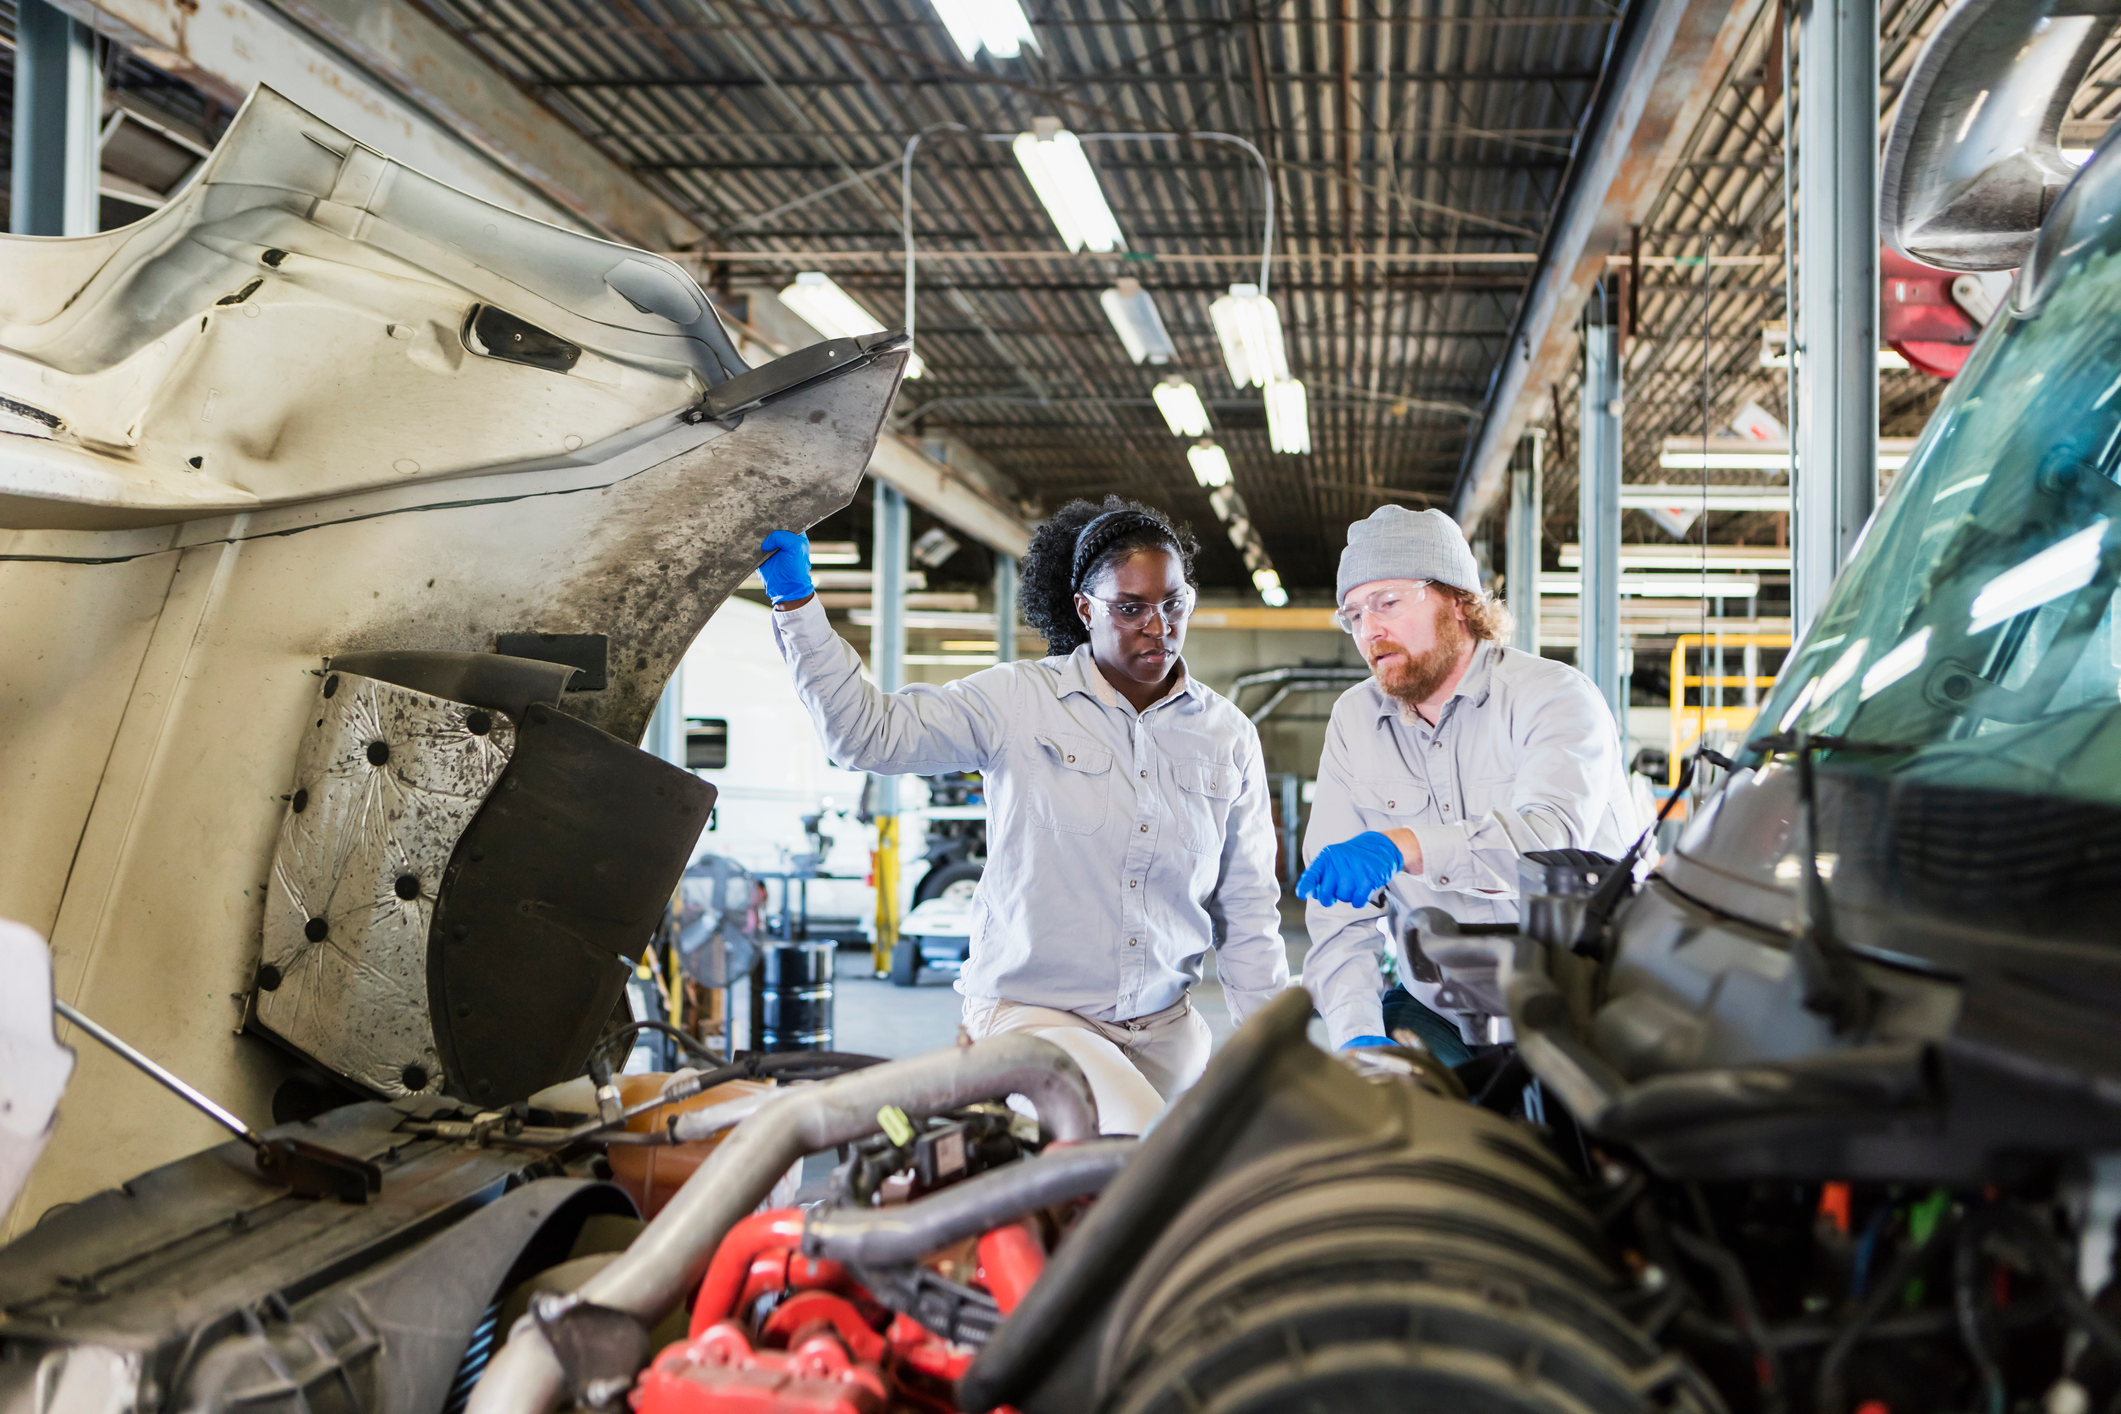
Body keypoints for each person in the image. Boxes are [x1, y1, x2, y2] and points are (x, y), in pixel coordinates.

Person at [756, 496, 1289, 1133]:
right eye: (1131, 607)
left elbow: (1249, 910)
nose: (1158, 625)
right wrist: (796, 603)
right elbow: (867, 734)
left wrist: (1279, 1052)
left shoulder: (1227, 736)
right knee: (1134, 1159)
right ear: (1086, 609)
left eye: (1174, 603)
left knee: (1192, 1177)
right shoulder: (1019, 701)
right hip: (1036, 1016)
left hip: (1167, 1033)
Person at [1297, 505, 1637, 1062]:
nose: (1369, 630)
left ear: (1458, 600)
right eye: (1353, 614)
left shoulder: (1554, 696)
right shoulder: (1355, 721)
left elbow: (1549, 845)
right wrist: (1356, 1029)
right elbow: (1339, 916)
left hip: (1579, 1007)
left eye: (1387, 602)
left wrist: (1403, 846)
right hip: (1444, 1008)